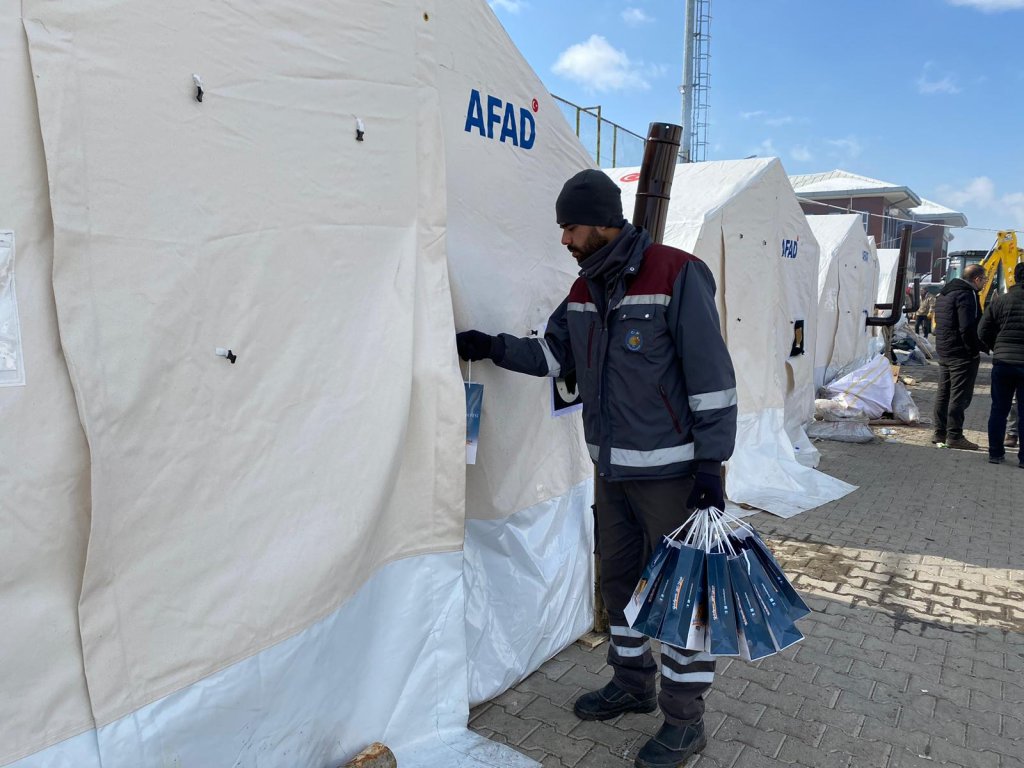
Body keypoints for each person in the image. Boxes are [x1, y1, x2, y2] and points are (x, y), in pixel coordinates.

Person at [456, 169, 736, 768]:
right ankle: (632, 684)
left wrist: (712, 465)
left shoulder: (675, 274)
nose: (564, 239)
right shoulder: (585, 292)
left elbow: (712, 380)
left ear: (603, 222)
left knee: (683, 598)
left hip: (674, 478)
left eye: (571, 227)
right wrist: (492, 346)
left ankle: (686, 722)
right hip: (610, 472)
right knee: (621, 583)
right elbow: (553, 354)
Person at [931, 264, 987, 450]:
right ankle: (955, 435)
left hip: (944, 349)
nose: (985, 283)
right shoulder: (966, 294)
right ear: (977, 279)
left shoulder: (945, 292)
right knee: (959, 395)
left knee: (943, 392)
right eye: (985, 280)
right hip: (960, 352)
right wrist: (973, 350)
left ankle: (939, 432)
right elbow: (967, 327)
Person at [977, 262, 1024, 466]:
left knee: (998, 409)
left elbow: (982, 330)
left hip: (1003, 363)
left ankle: (995, 453)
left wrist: (995, 347)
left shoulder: (1000, 301)